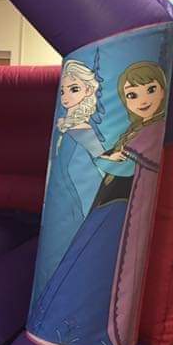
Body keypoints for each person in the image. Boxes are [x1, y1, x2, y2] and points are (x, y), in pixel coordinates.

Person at [29, 62, 168, 345]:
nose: (143, 100)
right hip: (103, 201)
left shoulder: (143, 132)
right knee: (78, 260)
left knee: (87, 263)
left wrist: (112, 159)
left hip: (114, 206)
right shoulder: (133, 129)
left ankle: (80, 329)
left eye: (151, 90)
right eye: (132, 95)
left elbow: (114, 162)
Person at [31, 60, 105, 305]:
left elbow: (100, 158)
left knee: (66, 253)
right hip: (60, 199)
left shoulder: (83, 130)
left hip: (72, 202)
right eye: (63, 91)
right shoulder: (66, 127)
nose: (65, 97)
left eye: (74, 89)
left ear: (88, 90)